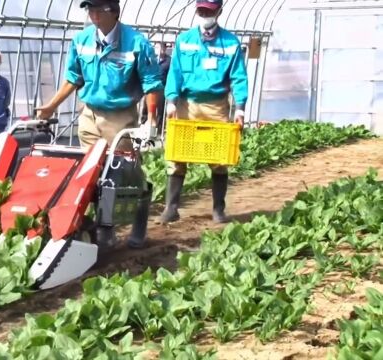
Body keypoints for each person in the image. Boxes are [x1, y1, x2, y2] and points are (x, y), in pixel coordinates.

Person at [36, 0, 163, 249]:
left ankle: (138, 221)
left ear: (114, 12)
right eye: (89, 9)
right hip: (90, 115)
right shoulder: (81, 40)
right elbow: (73, 77)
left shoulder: (136, 43)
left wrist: (152, 120)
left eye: (98, 10)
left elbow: (152, 84)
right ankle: (103, 228)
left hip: (120, 117)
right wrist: (51, 106)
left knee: (123, 174)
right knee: (92, 175)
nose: (92, 15)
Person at [159, 0, 248, 224]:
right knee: (176, 155)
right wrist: (170, 100)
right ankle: (171, 208)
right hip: (186, 104)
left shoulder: (230, 43)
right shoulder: (185, 40)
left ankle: (218, 210)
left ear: (218, 11)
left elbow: (238, 77)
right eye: (200, 9)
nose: (204, 13)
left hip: (215, 105)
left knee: (219, 157)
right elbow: (175, 73)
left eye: (208, 10)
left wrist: (240, 109)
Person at [140, 41, 171, 133]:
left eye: (161, 47)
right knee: (146, 106)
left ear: (165, 49)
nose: (159, 49)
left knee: (161, 109)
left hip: (162, 87)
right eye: (157, 47)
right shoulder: (151, 59)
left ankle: (158, 129)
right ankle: (144, 124)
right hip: (151, 86)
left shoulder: (169, 60)